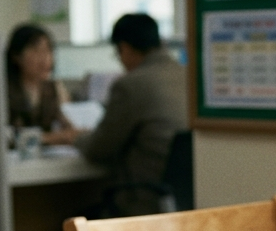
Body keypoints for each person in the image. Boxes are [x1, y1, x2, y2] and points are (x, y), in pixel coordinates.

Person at [44, 13, 189, 215]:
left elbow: (98, 148)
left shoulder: (131, 85)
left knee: (67, 223)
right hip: (181, 202)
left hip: (143, 203)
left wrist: (75, 138)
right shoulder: (186, 75)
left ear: (125, 48)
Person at [5, 24, 76, 135]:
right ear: (16, 56)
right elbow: (9, 135)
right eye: (36, 51)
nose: (45, 58)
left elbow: (67, 126)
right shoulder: (5, 90)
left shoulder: (50, 88)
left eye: (48, 50)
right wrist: (52, 138)